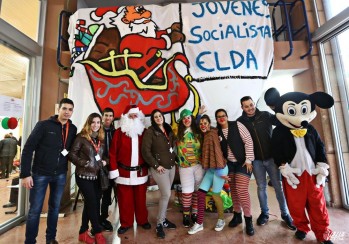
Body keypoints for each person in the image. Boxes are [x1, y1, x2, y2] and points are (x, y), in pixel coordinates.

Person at [20, 98, 77, 244]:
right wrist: (25, 174)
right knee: (35, 211)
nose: (67, 112)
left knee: (55, 208)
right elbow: (28, 148)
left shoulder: (73, 129)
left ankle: (51, 238)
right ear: (58, 109)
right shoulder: (43, 125)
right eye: (64, 108)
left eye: (70, 109)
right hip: (40, 174)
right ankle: (30, 241)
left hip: (60, 174)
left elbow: (72, 150)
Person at [237, 96, 296, 230]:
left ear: (254, 104)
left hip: (271, 158)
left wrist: (276, 107)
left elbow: (282, 120)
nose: (250, 108)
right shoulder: (240, 122)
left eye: (251, 105)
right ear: (242, 108)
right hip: (256, 161)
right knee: (261, 187)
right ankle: (264, 213)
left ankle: (285, 214)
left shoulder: (265, 115)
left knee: (278, 186)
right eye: (246, 106)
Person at [109, 105, 151, 234]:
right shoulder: (119, 132)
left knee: (141, 199)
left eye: (135, 115)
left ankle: (142, 220)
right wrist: (114, 170)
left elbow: (149, 151)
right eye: (131, 115)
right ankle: (126, 223)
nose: (133, 117)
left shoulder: (144, 132)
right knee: (124, 199)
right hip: (123, 172)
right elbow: (113, 153)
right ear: (126, 117)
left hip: (140, 172)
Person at [215, 108, 255, 236]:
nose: (221, 118)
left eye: (223, 115)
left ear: (227, 116)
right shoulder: (217, 132)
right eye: (219, 117)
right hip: (230, 164)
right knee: (233, 189)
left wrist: (249, 159)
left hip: (243, 162)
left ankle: (248, 219)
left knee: (241, 189)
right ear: (216, 119)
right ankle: (237, 215)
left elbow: (248, 140)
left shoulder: (237, 125)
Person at [69, 113, 107, 244]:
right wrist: (83, 163)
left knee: (91, 203)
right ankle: (97, 231)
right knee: (93, 203)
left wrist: (105, 162)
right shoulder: (81, 137)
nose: (96, 125)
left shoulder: (101, 139)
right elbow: (72, 154)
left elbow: (105, 155)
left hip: (97, 176)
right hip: (84, 176)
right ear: (88, 123)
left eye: (98, 122)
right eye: (93, 122)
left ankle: (83, 232)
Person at [188, 115, 229, 235]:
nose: (203, 125)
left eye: (205, 123)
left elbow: (217, 152)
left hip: (220, 169)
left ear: (209, 123)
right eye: (201, 124)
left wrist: (221, 170)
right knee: (201, 193)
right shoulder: (205, 135)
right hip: (211, 170)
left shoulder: (212, 134)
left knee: (216, 195)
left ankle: (221, 219)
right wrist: (199, 115)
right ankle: (199, 223)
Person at [142, 109, 177, 239]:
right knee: (166, 194)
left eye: (160, 116)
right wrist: (156, 165)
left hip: (171, 166)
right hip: (159, 169)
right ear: (153, 119)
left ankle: (163, 219)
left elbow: (173, 145)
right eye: (155, 117)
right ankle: (159, 224)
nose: (158, 118)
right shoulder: (150, 132)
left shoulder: (168, 128)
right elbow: (145, 151)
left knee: (166, 195)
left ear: (163, 117)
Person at [176, 109, 205, 228]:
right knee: (187, 192)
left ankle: (194, 213)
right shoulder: (178, 133)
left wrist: (200, 114)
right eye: (184, 118)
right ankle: (186, 215)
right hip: (185, 167)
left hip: (198, 166)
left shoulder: (198, 131)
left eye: (188, 117)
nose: (186, 120)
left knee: (197, 191)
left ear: (192, 119)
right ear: (181, 121)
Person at [98, 107, 116, 232]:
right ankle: (97, 220)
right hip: (100, 167)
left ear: (113, 118)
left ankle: (103, 218)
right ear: (102, 116)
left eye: (110, 115)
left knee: (107, 195)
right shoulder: (97, 130)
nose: (108, 118)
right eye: (106, 115)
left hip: (113, 167)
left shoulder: (116, 132)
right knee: (99, 194)